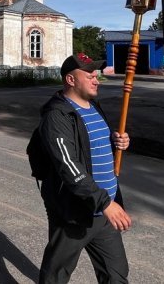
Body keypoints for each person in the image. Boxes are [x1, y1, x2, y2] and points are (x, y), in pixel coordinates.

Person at [37, 53, 132, 284]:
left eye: (96, 75)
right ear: (71, 80)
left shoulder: (94, 107)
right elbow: (69, 166)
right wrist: (105, 203)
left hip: (104, 210)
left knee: (116, 274)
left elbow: (91, 146)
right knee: (56, 275)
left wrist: (117, 142)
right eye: (89, 75)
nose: (96, 80)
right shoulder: (56, 116)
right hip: (76, 211)